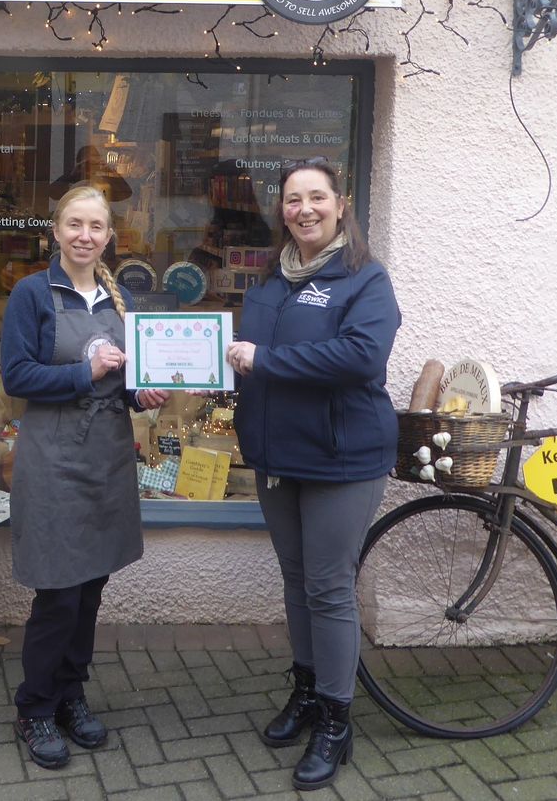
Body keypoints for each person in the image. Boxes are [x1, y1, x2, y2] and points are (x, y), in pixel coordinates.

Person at [225, 162, 400, 793]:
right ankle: (305, 690)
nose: (304, 209)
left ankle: (335, 718)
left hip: (341, 458)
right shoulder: (271, 280)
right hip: (278, 459)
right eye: (293, 200)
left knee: (329, 587)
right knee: (297, 581)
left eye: (316, 198)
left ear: (341, 204)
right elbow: (244, 356)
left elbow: (360, 356)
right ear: (283, 210)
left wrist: (265, 359)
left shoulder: (364, 279)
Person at [0, 185, 168, 770]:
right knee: (58, 593)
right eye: (75, 224)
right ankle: (36, 706)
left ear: (108, 236)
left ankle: (72, 695)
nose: (85, 236)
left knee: (91, 590)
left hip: (106, 459)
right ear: (55, 230)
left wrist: (141, 394)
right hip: (53, 462)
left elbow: (120, 380)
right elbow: (16, 377)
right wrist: (84, 370)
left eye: (96, 226)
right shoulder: (32, 294)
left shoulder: (114, 299)